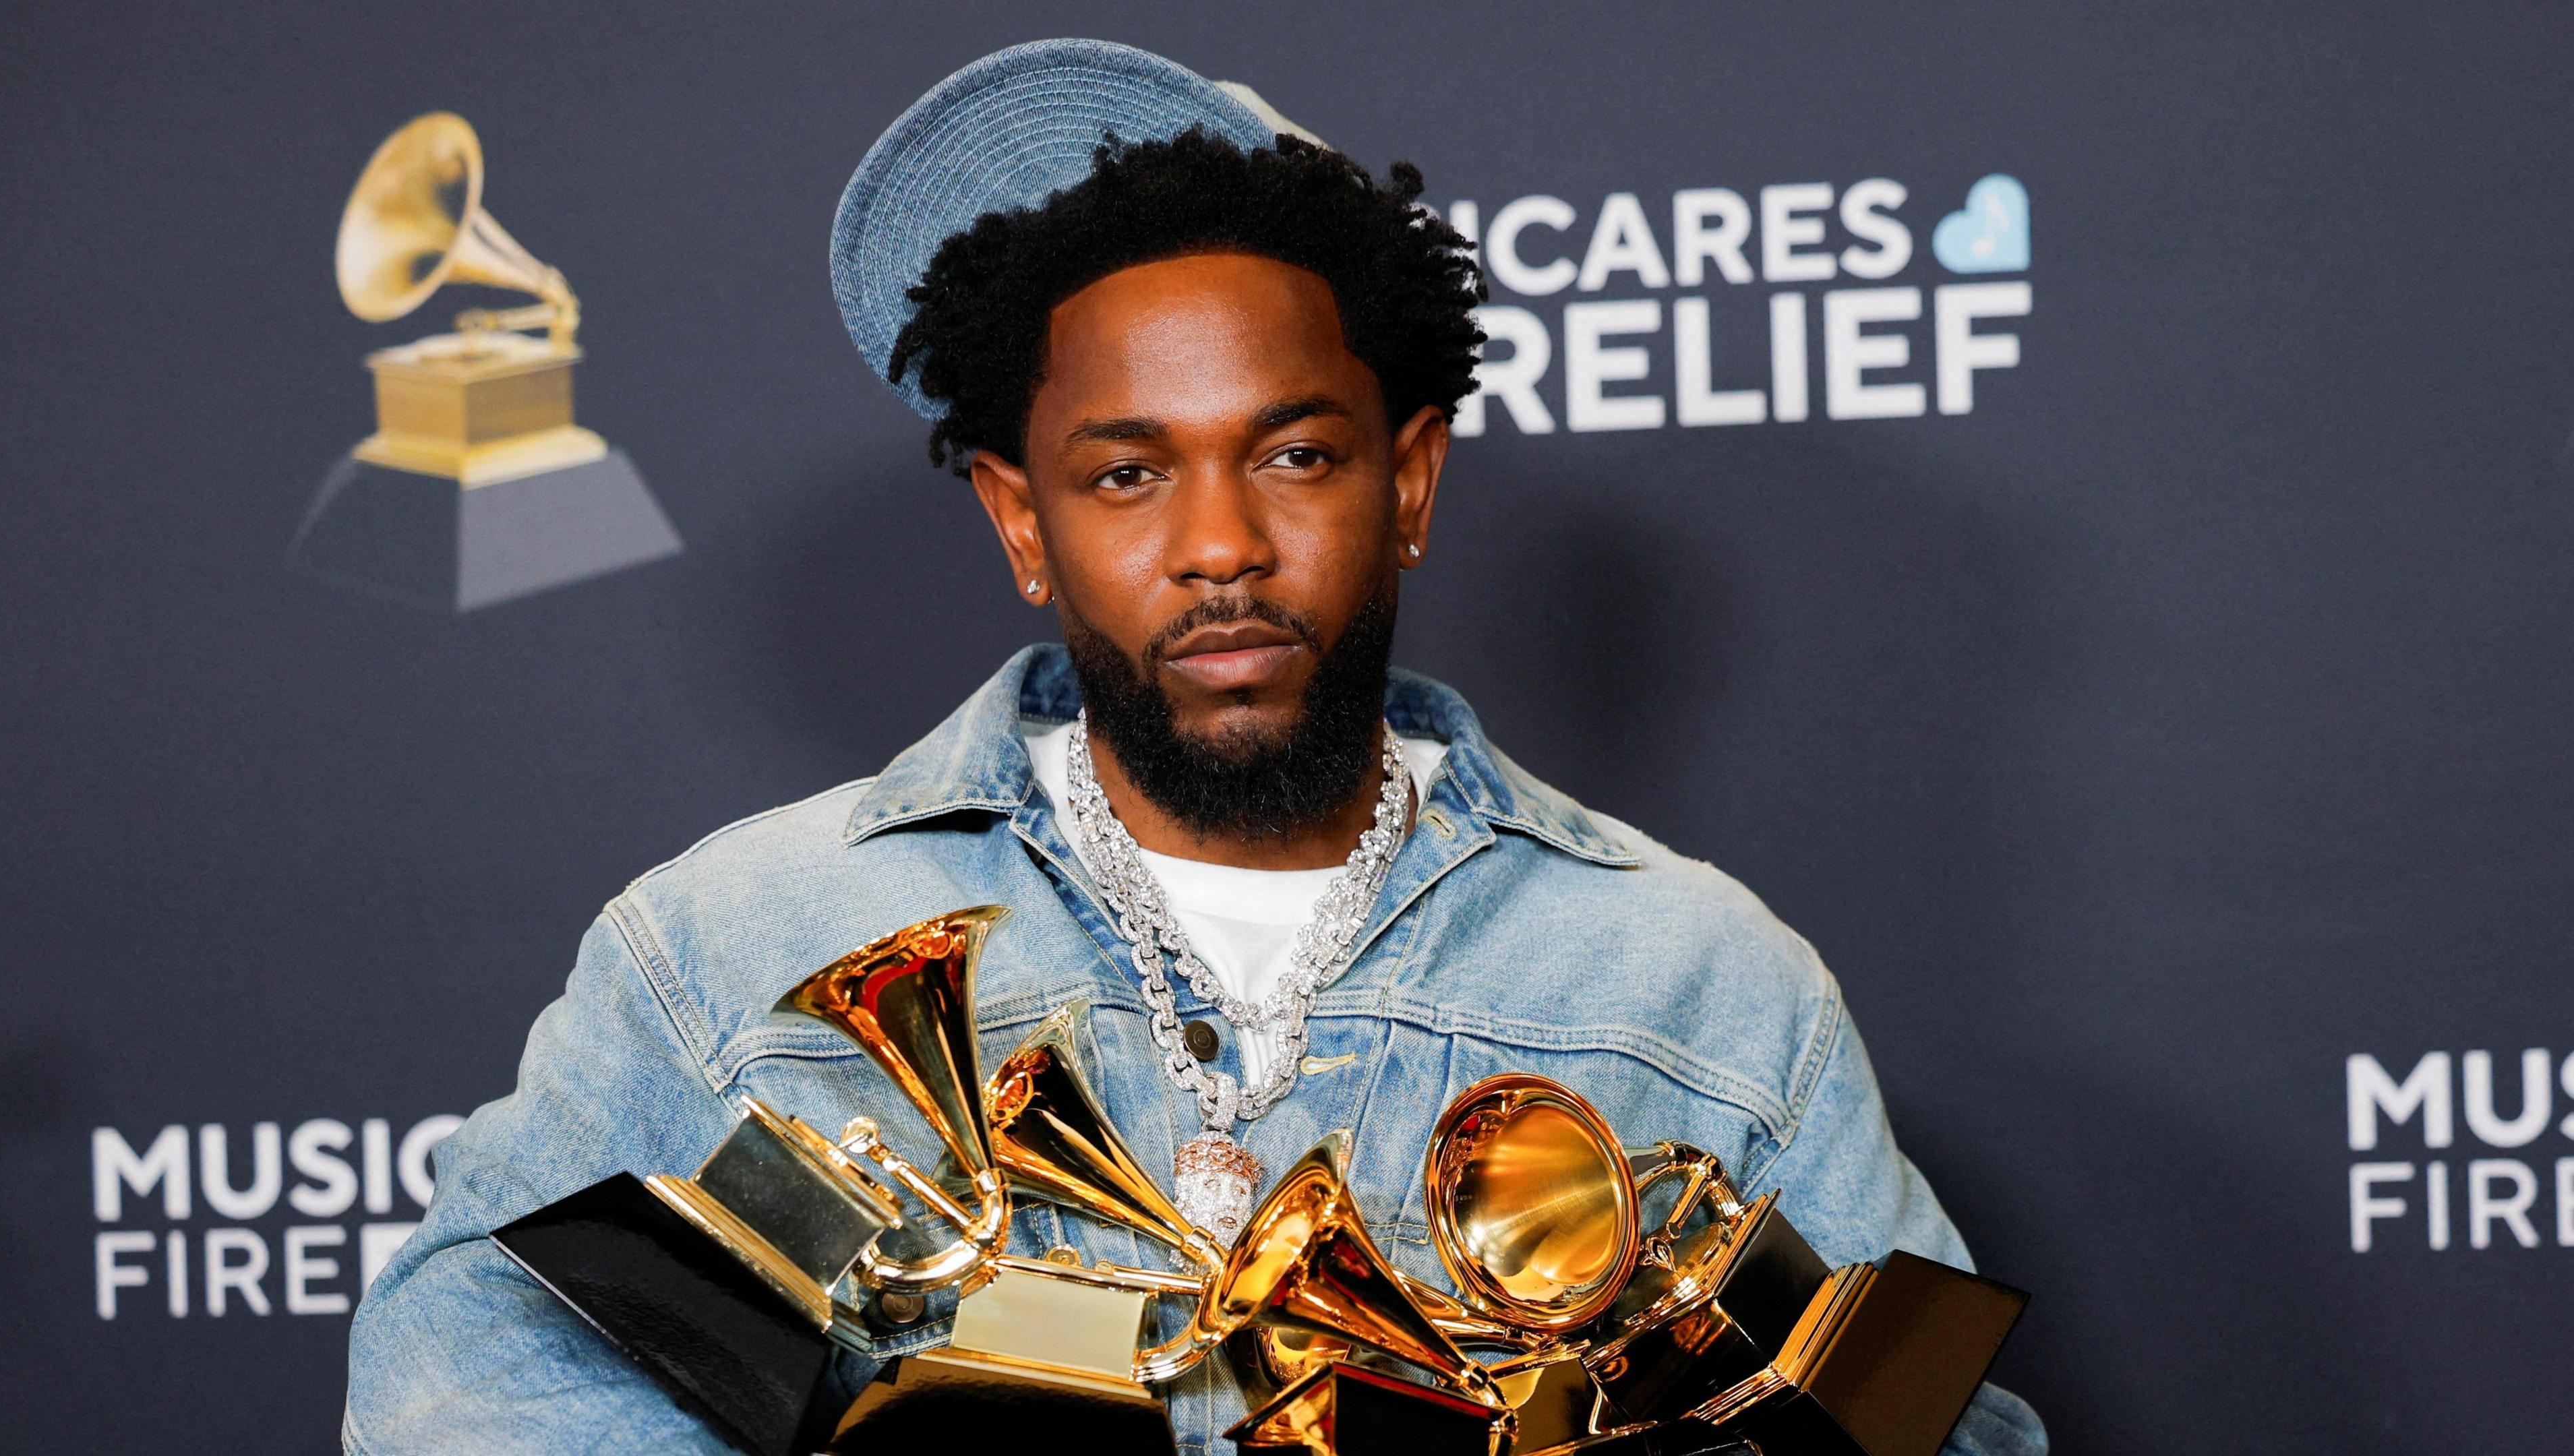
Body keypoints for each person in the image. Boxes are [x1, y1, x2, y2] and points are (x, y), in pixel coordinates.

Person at [342, 38, 2047, 1456]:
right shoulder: (729, 950)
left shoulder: (1701, 988)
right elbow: (463, 1382)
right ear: (1024, 525)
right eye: (1128, 473)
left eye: (1296, 458)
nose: (1219, 543)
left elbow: (1942, 1427)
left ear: (1411, 483)